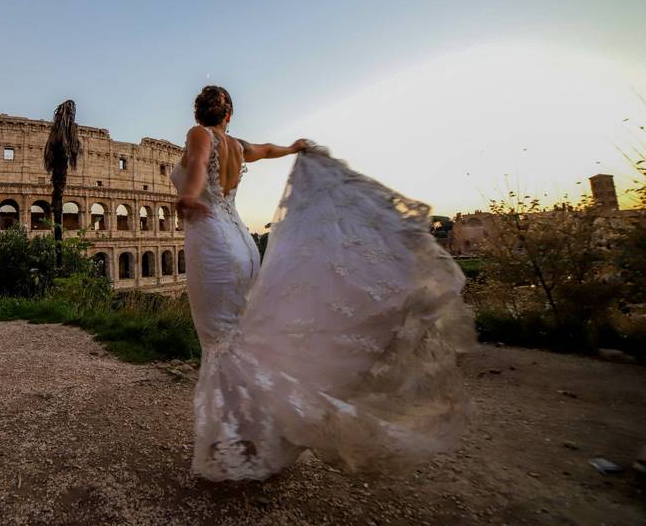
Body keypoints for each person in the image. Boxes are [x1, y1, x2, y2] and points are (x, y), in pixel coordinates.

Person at [170, 85, 475, 482]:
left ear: (199, 113)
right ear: (229, 115)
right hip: (242, 244)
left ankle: (239, 442)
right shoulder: (238, 145)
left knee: (217, 340)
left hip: (211, 239)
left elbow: (196, 163)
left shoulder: (199, 135)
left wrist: (191, 195)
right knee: (235, 337)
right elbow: (268, 149)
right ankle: (253, 432)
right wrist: (295, 147)